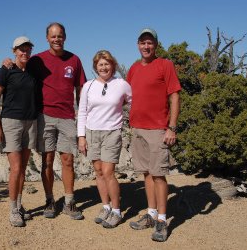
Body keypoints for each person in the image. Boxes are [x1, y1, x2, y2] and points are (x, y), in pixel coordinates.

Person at [26, 22, 87, 220]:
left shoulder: (74, 60)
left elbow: (81, 90)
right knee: (47, 160)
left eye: (60, 36)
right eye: (53, 36)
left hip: (68, 116)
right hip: (44, 116)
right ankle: (50, 200)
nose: (56, 39)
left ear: (65, 37)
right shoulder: (37, 61)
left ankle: (69, 201)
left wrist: (82, 114)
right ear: (47, 38)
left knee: (68, 160)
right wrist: (7, 63)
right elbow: (20, 76)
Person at [127, 28, 181, 242]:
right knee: (147, 173)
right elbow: (127, 95)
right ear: (138, 45)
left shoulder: (165, 65)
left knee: (158, 175)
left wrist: (172, 127)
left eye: (150, 43)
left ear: (155, 45)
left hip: (159, 129)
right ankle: (150, 214)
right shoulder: (133, 68)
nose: (146, 46)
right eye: (142, 43)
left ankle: (161, 219)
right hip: (138, 128)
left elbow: (174, 96)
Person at [77, 50, 132, 228]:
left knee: (108, 172)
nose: (104, 67)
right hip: (92, 132)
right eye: (100, 64)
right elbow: (83, 111)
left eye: (107, 64)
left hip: (112, 132)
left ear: (113, 65)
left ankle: (116, 210)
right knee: (99, 172)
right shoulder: (88, 86)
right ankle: (106, 206)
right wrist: (81, 137)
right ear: (95, 67)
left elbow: (133, 101)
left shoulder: (122, 84)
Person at [0, 36, 37, 227]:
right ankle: (12, 210)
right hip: (11, 122)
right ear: (14, 51)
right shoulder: (5, 70)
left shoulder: (33, 69)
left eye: (27, 49)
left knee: (23, 168)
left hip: (31, 122)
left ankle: (19, 205)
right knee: (16, 168)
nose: (24, 52)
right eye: (20, 49)